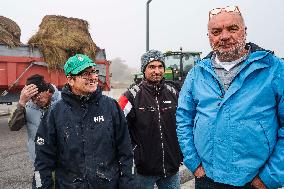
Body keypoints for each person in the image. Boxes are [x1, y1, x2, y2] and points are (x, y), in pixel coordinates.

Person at [176, 5, 284, 189]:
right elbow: (183, 118)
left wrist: (270, 176)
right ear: (209, 36)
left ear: (245, 31)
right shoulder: (197, 74)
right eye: (216, 31)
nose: (224, 36)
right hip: (207, 178)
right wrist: (193, 163)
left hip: (255, 181)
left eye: (232, 28)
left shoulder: (273, 69)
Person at [34, 54, 134, 189]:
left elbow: (125, 150)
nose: (92, 77)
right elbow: (43, 160)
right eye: (85, 74)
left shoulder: (111, 107)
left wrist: (127, 184)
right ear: (70, 79)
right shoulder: (55, 112)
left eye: (93, 72)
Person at [118, 50, 182, 189]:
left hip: (171, 168)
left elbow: (184, 124)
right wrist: (133, 155)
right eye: (152, 67)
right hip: (143, 170)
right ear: (144, 70)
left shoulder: (174, 93)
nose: (157, 71)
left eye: (160, 66)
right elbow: (117, 130)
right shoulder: (130, 96)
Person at [8, 74, 61, 188]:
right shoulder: (27, 106)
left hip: (64, 164)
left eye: (38, 96)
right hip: (39, 165)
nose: (35, 100)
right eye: (32, 98)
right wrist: (21, 102)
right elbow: (13, 126)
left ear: (48, 90)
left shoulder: (63, 101)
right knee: (38, 186)